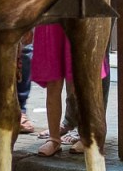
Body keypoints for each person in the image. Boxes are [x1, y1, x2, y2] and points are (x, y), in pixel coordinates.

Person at [31, 24, 107, 157]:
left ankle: (86, 136)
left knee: (80, 80)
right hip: (51, 19)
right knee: (53, 81)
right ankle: (54, 138)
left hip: (79, 20)